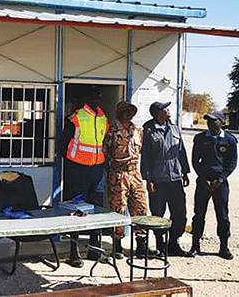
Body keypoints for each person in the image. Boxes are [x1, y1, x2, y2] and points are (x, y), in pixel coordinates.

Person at [58, 95, 109, 268]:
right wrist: (72, 160)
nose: (98, 100)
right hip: (78, 169)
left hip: (97, 169)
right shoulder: (77, 117)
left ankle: (94, 248)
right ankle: (74, 252)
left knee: (96, 208)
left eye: (99, 98)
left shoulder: (103, 118)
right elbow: (63, 143)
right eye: (95, 97)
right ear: (87, 100)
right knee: (76, 210)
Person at [141, 101, 190, 256]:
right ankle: (160, 246)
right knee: (158, 215)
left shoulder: (174, 128)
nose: (168, 110)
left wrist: (185, 172)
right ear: (157, 113)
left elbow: (181, 151)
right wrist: (148, 179)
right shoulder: (148, 130)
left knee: (180, 214)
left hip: (175, 179)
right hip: (157, 180)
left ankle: (174, 243)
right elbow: (146, 157)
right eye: (165, 109)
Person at [103, 101, 149, 258]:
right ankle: (117, 246)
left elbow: (142, 150)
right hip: (118, 174)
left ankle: (141, 245)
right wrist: (112, 168)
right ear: (119, 114)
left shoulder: (138, 131)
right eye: (125, 111)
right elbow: (105, 152)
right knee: (118, 210)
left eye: (130, 111)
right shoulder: (112, 131)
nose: (128, 114)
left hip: (135, 174)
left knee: (140, 207)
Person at [188, 111, 237, 260]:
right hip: (203, 182)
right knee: (199, 215)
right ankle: (195, 246)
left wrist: (221, 179)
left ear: (221, 122)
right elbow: (196, 160)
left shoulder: (229, 140)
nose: (210, 123)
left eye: (213, 121)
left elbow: (232, 162)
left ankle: (224, 246)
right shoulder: (201, 138)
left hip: (220, 184)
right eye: (208, 121)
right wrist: (202, 177)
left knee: (222, 216)